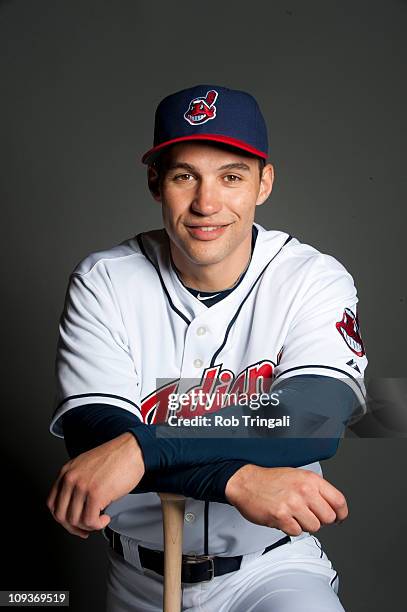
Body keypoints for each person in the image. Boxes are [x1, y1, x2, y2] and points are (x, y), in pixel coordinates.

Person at [47, 84, 368, 611]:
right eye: (183, 177)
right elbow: (94, 433)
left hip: (271, 570)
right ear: (156, 183)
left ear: (264, 182)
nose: (206, 203)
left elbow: (310, 417)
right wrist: (236, 479)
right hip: (135, 579)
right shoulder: (105, 280)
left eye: (232, 177)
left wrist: (141, 447)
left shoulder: (311, 278)